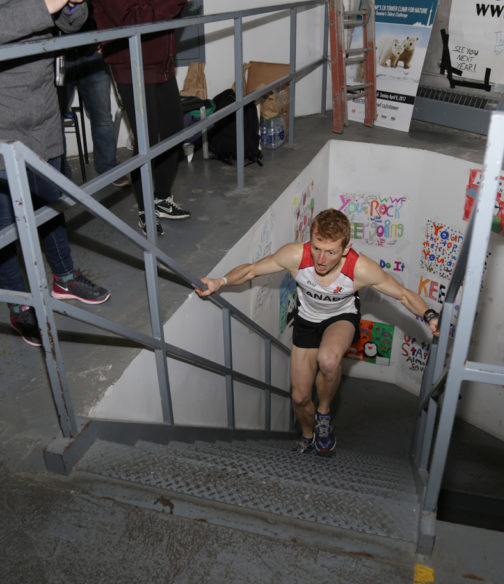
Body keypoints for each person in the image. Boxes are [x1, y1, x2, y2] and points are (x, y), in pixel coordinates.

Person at [197, 209, 440, 456]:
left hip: (340, 317)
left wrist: (430, 316)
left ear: (345, 249)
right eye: (316, 248)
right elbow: (251, 270)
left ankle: (323, 413)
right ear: (310, 241)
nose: (321, 259)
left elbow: (404, 295)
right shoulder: (295, 255)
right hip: (307, 320)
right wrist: (220, 282)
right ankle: (307, 435)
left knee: (329, 359)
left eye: (331, 252)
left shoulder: (360, 268)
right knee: (300, 397)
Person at [0, 0, 111, 348]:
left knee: (50, 204)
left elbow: (70, 25)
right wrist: (48, 2)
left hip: (44, 110)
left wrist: (74, 5)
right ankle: (20, 303)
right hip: (2, 120)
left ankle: (63, 277)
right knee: (4, 224)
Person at [93, 0, 191, 236]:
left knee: (174, 130)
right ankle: (146, 210)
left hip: (162, 64)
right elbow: (131, 19)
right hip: (131, 63)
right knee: (147, 139)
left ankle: (161, 200)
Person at [58, 0, 129, 187]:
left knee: (102, 117)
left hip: (92, 56)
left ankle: (108, 167)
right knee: (54, 120)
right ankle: (59, 174)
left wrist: (106, 42)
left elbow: (108, 9)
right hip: (59, 59)